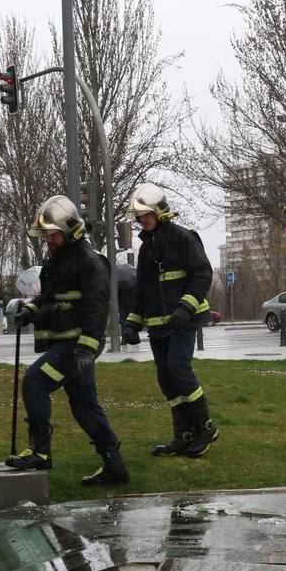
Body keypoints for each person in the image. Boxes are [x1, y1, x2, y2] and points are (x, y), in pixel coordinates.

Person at [6, 195, 129, 486]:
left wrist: (87, 347)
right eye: (46, 234)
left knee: (35, 382)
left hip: (76, 347)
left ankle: (41, 452)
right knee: (84, 404)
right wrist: (31, 311)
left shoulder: (90, 262)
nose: (48, 239)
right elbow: (51, 299)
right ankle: (115, 466)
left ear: (70, 229)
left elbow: (97, 306)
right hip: (69, 345)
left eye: (52, 233)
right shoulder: (56, 262)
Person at [120, 183, 219, 458]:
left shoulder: (183, 238)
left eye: (146, 215)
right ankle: (183, 435)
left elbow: (202, 274)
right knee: (166, 379)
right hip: (158, 326)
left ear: (160, 212)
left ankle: (204, 428)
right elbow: (143, 290)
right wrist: (131, 323)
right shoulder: (147, 248)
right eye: (139, 218)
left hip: (183, 321)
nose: (143, 221)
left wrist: (185, 309)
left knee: (178, 369)